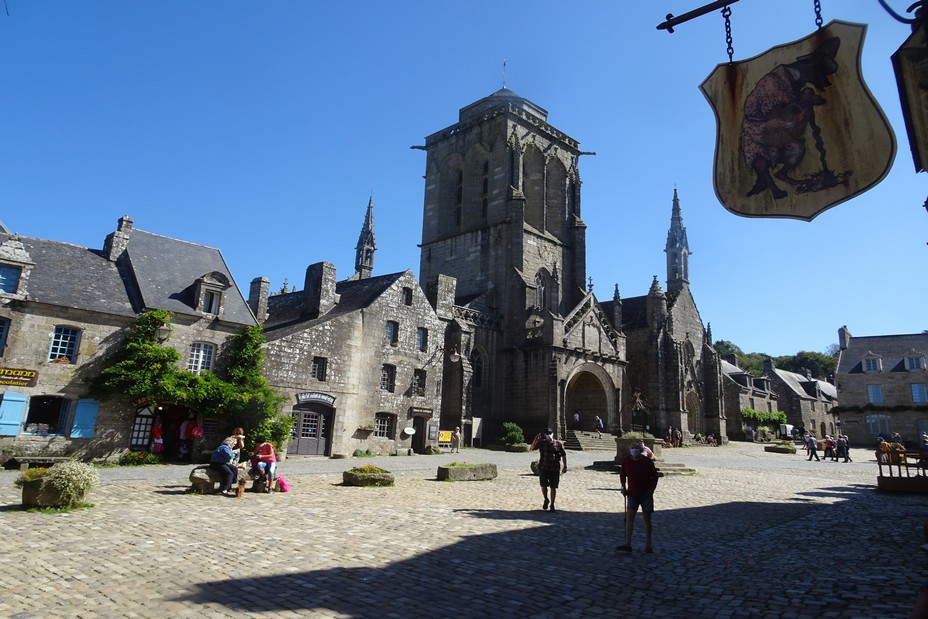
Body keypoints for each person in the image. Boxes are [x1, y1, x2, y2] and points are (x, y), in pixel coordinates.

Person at [618, 440, 659, 553]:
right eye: (633, 448)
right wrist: (623, 487)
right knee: (630, 518)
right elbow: (622, 474)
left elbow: (654, 476)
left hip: (646, 494)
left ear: (641, 451)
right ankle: (628, 543)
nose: (634, 450)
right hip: (632, 494)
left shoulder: (647, 462)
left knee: (647, 518)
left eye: (636, 449)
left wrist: (651, 490)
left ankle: (648, 544)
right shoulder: (626, 461)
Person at [531, 428, 567, 512]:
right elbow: (532, 448)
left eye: (550, 433)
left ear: (553, 433)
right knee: (543, 486)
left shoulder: (558, 443)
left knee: (553, 487)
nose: (548, 435)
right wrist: (535, 440)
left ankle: (552, 505)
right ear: (544, 435)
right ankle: (546, 499)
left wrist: (565, 466)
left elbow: (563, 454)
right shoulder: (542, 443)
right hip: (543, 467)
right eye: (547, 433)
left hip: (554, 468)